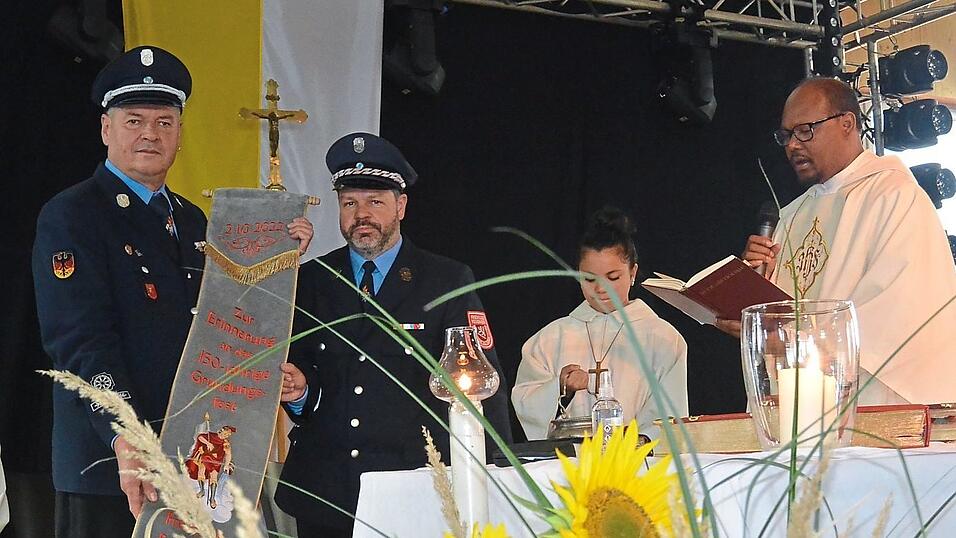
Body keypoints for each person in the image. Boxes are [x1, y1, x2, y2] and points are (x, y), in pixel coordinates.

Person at [31, 46, 313, 538]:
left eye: (164, 122)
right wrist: (129, 435)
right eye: (134, 119)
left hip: (197, 458)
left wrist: (283, 256)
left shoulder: (190, 219)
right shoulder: (72, 214)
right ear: (105, 130)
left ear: (180, 134)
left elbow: (226, 320)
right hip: (113, 465)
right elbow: (78, 342)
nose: (149, 134)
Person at [274, 132, 513, 537]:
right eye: (349, 203)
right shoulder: (311, 279)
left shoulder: (446, 279)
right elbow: (300, 374)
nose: (361, 214)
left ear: (401, 206)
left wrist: (495, 479)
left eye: (375, 202)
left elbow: (482, 385)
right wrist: (298, 394)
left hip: (415, 488)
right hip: (327, 491)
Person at [718, 76, 956, 405]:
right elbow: (785, 309)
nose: (792, 145)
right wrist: (753, 282)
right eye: (786, 135)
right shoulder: (791, 214)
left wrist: (784, 340)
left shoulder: (894, 196)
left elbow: (895, 314)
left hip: (872, 405)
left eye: (805, 130)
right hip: (802, 405)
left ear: (847, 123)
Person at [512, 207, 688, 440]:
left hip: (637, 463)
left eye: (613, 277)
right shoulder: (550, 339)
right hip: (568, 465)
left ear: (633, 272)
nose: (600, 289)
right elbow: (526, 403)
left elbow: (670, 412)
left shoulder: (662, 338)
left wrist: (637, 443)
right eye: (589, 278)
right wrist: (560, 388)